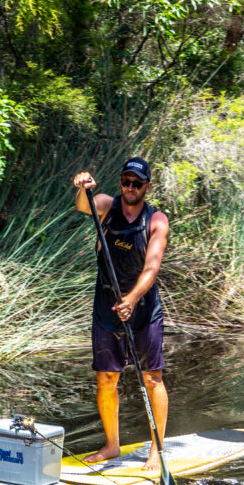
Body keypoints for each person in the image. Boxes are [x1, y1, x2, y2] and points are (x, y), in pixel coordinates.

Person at [73, 157, 169, 469]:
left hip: (143, 308)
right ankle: (112, 445)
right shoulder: (104, 204)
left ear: (147, 187)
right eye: (126, 182)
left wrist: (132, 298)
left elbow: (152, 266)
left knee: (152, 377)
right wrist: (82, 186)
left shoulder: (157, 221)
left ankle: (157, 449)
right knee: (106, 378)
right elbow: (82, 206)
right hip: (106, 304)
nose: (130, 188)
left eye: (136, 184)